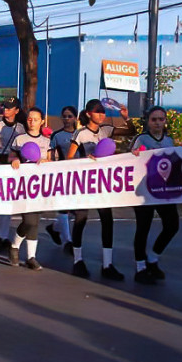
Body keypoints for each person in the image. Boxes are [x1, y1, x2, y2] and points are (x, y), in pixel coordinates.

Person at [66, 98, 135, 280]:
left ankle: (108, 264)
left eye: (103, 111)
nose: (101, 114)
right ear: (89, 114)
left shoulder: (107, 130)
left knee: (107, 220)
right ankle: (78, 261)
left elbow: (130, 131)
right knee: (81, 219)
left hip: (103, 184)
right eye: (97, 111)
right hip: (85, 183)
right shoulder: (80, 134)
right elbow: (69, 159)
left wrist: (126, 117)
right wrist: (85, 160)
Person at [130, 106, 179, 285]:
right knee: (143, 228)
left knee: (172, 225)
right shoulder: (141, 139)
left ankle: (153, 258)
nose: (158, 123)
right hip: (144, 191)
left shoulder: (169, 140)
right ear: (148, 122)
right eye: (154, 119)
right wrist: (134, 155)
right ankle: (141, 267)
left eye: (161, 119)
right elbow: (130, 161)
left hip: (164, 192)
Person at [7, 107, 53, 271]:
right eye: (29, 119)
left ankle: (31, 257)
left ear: (42, 121)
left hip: (40, 185)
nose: (32, 121)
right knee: (29, 220)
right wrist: (14, 160)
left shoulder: (47, 142)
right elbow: (12, 156)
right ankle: (14, 246)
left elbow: (52, 160)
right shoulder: (19, 139)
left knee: (35, 222)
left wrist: (47, 162)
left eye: (35, 119)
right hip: (24, 184)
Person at [0, 96, 26, 254]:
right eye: (5, 107)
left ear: (16, 110)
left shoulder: (21, 127)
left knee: (9, 203)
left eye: (10, 108)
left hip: (14, 163)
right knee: (1, 202)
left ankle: (2, 236)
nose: (6, 110)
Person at [46, 105, 78, 253]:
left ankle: (54, 228)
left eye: (69, 116)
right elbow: (51, 156)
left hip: (80, 175)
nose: (67, 119)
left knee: (76, 209)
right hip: (64, 174)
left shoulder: (80, 135)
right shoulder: (56, 135)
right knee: (64, 207)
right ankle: (68, 242)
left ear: (75, 118)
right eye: (64, 116)